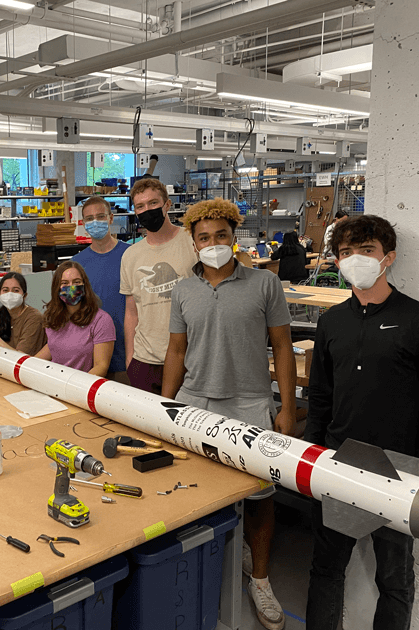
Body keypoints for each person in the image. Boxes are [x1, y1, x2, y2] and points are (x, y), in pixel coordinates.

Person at [305, 215, 419, 630]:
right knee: (325, 570)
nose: (355, 259)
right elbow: (319, 398)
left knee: (394, 579)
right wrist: (313, 459)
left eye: (366, 250)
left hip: (399, 473)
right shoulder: (332, 322)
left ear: (388, 257)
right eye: (345, 253)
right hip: (339, 466)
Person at [161, 197, 296, 630]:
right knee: (199, 496)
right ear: (193, 242)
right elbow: (176, 351)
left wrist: (287, 408)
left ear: (233, 237)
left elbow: (281, 347)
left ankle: (260, 578)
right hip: (195, 403)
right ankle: (209, 570)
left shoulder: (264, 284)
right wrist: (164, 409)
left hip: (252, 404)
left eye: (221, 236)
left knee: (260, 500)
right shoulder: (182, 290)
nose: (213, 244)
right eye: (204, 238)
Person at [120, 178, 197, 394]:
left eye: (153, 203)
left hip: (188, 357)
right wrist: (130, 358)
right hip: (144, 360)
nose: (147, 210)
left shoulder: (192, 242)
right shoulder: (130, 255)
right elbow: (131, 311)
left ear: (167, 205)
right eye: (140, 206)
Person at [72, 196, 131, 383]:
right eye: (89, 219)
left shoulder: (130, 255)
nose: (95, 222)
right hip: (91, 361)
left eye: (100, 216)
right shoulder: (78, 263)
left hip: (126, 355)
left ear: (111, 218)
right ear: (83, 223)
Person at [35, 261, 115, 377]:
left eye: (76, 282)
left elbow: (101, 366)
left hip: (79, 386)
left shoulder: (101, 320)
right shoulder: (53, 316)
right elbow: (54, 346)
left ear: (85, 285)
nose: (71, 287)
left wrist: (73, 386)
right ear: (56, 288)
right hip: (52, 381)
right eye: (64, 283)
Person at [0, 271, 46, 356]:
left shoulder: (34, 318)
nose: (10, 294)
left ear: (24, 295)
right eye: (5, 290)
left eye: (16, 290)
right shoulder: (0, 314)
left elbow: (20, 357)